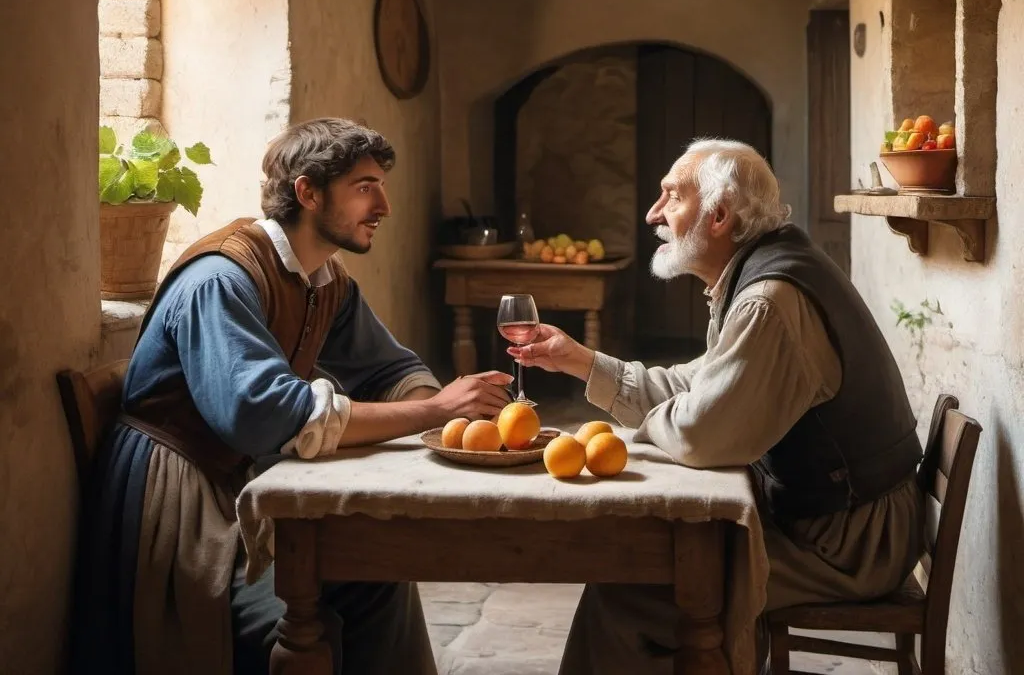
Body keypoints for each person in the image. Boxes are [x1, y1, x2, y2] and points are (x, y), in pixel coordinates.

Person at [72, 117, 513, 675]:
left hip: (240, 488)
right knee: (307, 619)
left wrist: (448, 423)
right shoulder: (220, 279)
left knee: (378, 577)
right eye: (364, 187)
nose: (383, 205)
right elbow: (263, 416)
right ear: (307, 192)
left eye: (379, 185)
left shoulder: (325, 279)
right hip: (178, 508)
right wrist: (436, 409)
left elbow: (392, 368)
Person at [508, 138, 925, 674]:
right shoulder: (758, 272)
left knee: (638, 592)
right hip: (839, 520)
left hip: (851, 545)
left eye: (671, 198)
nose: (654, 214)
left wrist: (638, 431)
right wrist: (583, 362)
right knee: (654, 565)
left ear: (720, 215)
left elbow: (706, 434)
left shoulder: (768, 301)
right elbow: (700, 383)